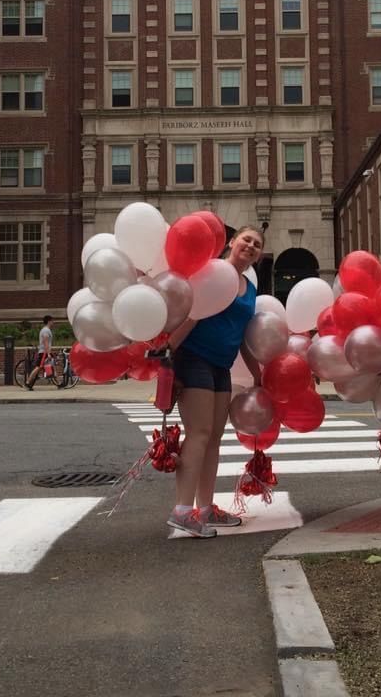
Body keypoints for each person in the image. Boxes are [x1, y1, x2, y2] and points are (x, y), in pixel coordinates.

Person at [164, 225, 264, 538]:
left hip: (222, 365)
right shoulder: (212, 272)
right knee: (199, 433)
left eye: (257, 244)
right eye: (246, 239)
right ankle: (182, 511)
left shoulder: (250, 288)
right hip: (194, 358)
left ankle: (205, 509)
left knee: (215, 437)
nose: (250, 246)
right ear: (232, 243)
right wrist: (169, 353)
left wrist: (257, 373)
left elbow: (243, 337)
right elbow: (192, 315)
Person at [25, 315, 54, 390]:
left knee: (49, 366)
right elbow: (45, 342)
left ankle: (58, 383)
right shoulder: (46, 330)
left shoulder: (46, 330)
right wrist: (48, 353)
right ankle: (28, 382)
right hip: (44, 352)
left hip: (44, 351)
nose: (53, 322)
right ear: (49, 321)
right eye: (52, 321)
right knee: (38, 367)